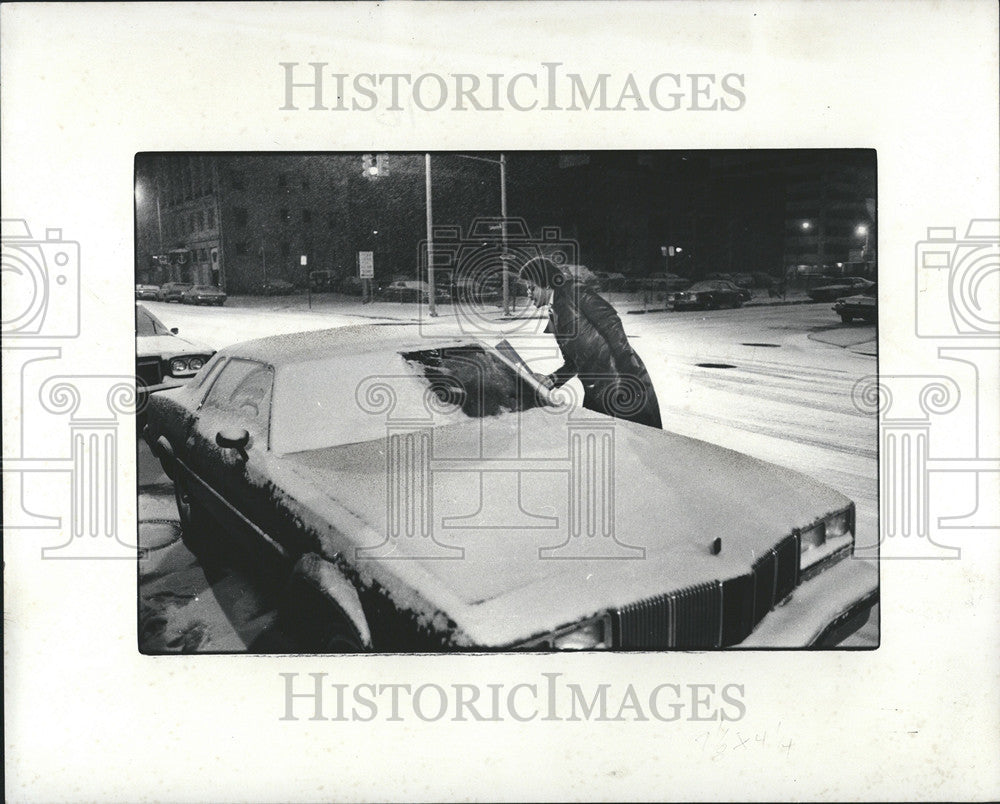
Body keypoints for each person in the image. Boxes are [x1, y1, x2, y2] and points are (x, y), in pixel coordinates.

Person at [520, 257, 662, 429]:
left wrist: (626, 371)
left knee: (640, 442)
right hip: (596, 390)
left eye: (531, 287)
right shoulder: (554, 313)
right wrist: (552, 380)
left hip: (621, 382)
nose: (528, 293)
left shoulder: (573, 291)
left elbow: (611, 322)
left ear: (546, 284)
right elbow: (574, 362)